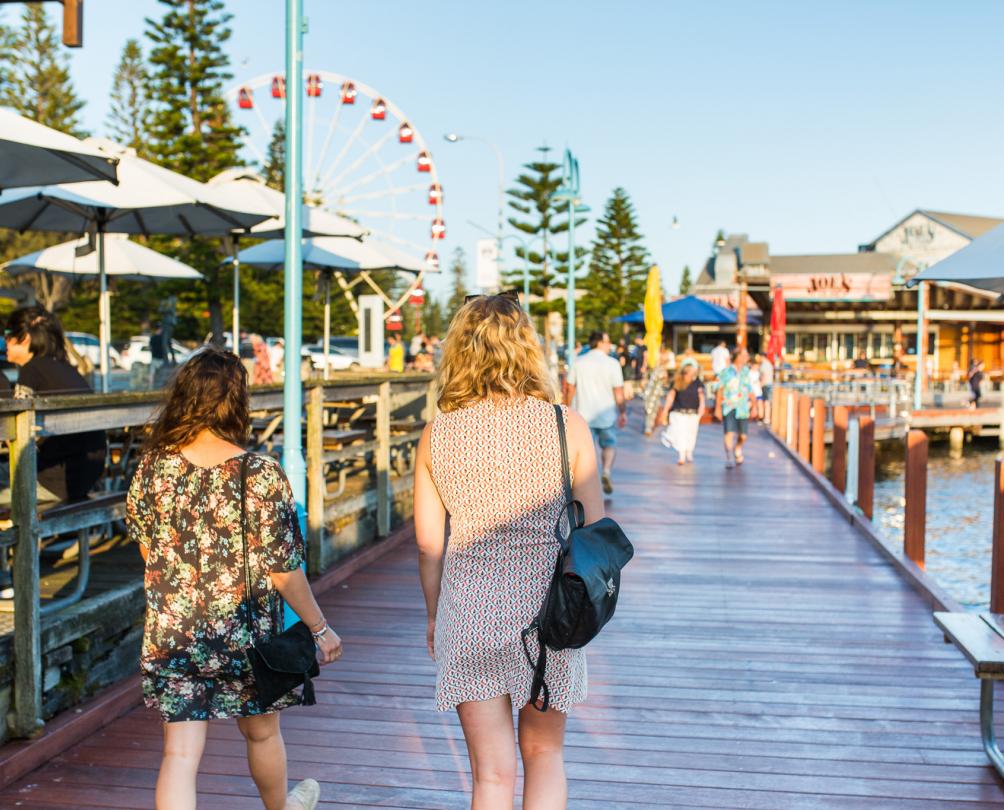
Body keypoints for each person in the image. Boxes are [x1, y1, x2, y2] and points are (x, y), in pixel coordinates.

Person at [126, 349, 342, 810]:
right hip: (245, 637)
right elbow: (284, 570)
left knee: (179, 754)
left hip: (175, 633)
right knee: (262, 734)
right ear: (237, 403)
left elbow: (151, 553)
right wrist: (320, 628)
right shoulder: (260, 474)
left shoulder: (151, 469)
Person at [413, 294, 602, 809]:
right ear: (527, 348)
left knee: (491, 778)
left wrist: (435, 616)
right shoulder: (569, 426)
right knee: (544, 754)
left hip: (468, 612)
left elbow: (430, 546)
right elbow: (597, 532)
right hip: (550, 614)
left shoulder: (437, 435)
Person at [6, 306, 104, 503]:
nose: (5, 341)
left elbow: (16, 433)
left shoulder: (31, 370)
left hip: (54, 482)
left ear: (24, 338)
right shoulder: (67, 369)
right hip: (84, 479)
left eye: (8, 334)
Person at [566, 331, 627, 495]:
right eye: (608, 342)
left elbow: (570, 388)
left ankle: (585, 484)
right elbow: (619, 392)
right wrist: (622, 412)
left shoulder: (578, 362)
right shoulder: (613, 363)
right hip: (606, 415)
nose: (610, 345)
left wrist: (566, 408)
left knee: (586, 451)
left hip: (582, 415)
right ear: (599, 343)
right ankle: (606, 471)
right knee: (610, 445)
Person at [715, 347, 757, 468]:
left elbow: (750, 389)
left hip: (743, 407)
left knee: (743, 436)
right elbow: (720, 390)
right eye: (745, 355)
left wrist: (754, 406)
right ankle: (729, 457)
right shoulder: (726, 372)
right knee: (729, 432)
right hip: (729, 406)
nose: (747, 358)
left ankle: (737, 448)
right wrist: (717, 408)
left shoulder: (746, 372)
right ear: (738, 356)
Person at [658, 362, 705, 465]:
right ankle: (682, 455)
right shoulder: (677, 382)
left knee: (691, 433)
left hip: (693, 412)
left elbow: (701, 395)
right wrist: (665, 411)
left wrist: (702, 407)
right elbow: (671, 396)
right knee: (680, 433)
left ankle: (689, 452)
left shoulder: (697, 382)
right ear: (686, 372)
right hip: (679, 412)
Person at [642, 346, 674, 436]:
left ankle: (649, 426)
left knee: (653, 408)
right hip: (651, 393)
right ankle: (648, 427)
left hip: (655, 393)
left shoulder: (659, 369)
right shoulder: (656, 369)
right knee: (650, 408)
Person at [758, 353, 774, 423]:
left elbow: (764, 375)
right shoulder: (769, 364)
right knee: (767, 402)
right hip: (769, 384)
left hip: (765, 384)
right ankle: (767, 417)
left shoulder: (764, 364)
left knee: (766, 402)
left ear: (762, 357)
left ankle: (766, 418)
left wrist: (761, 384)